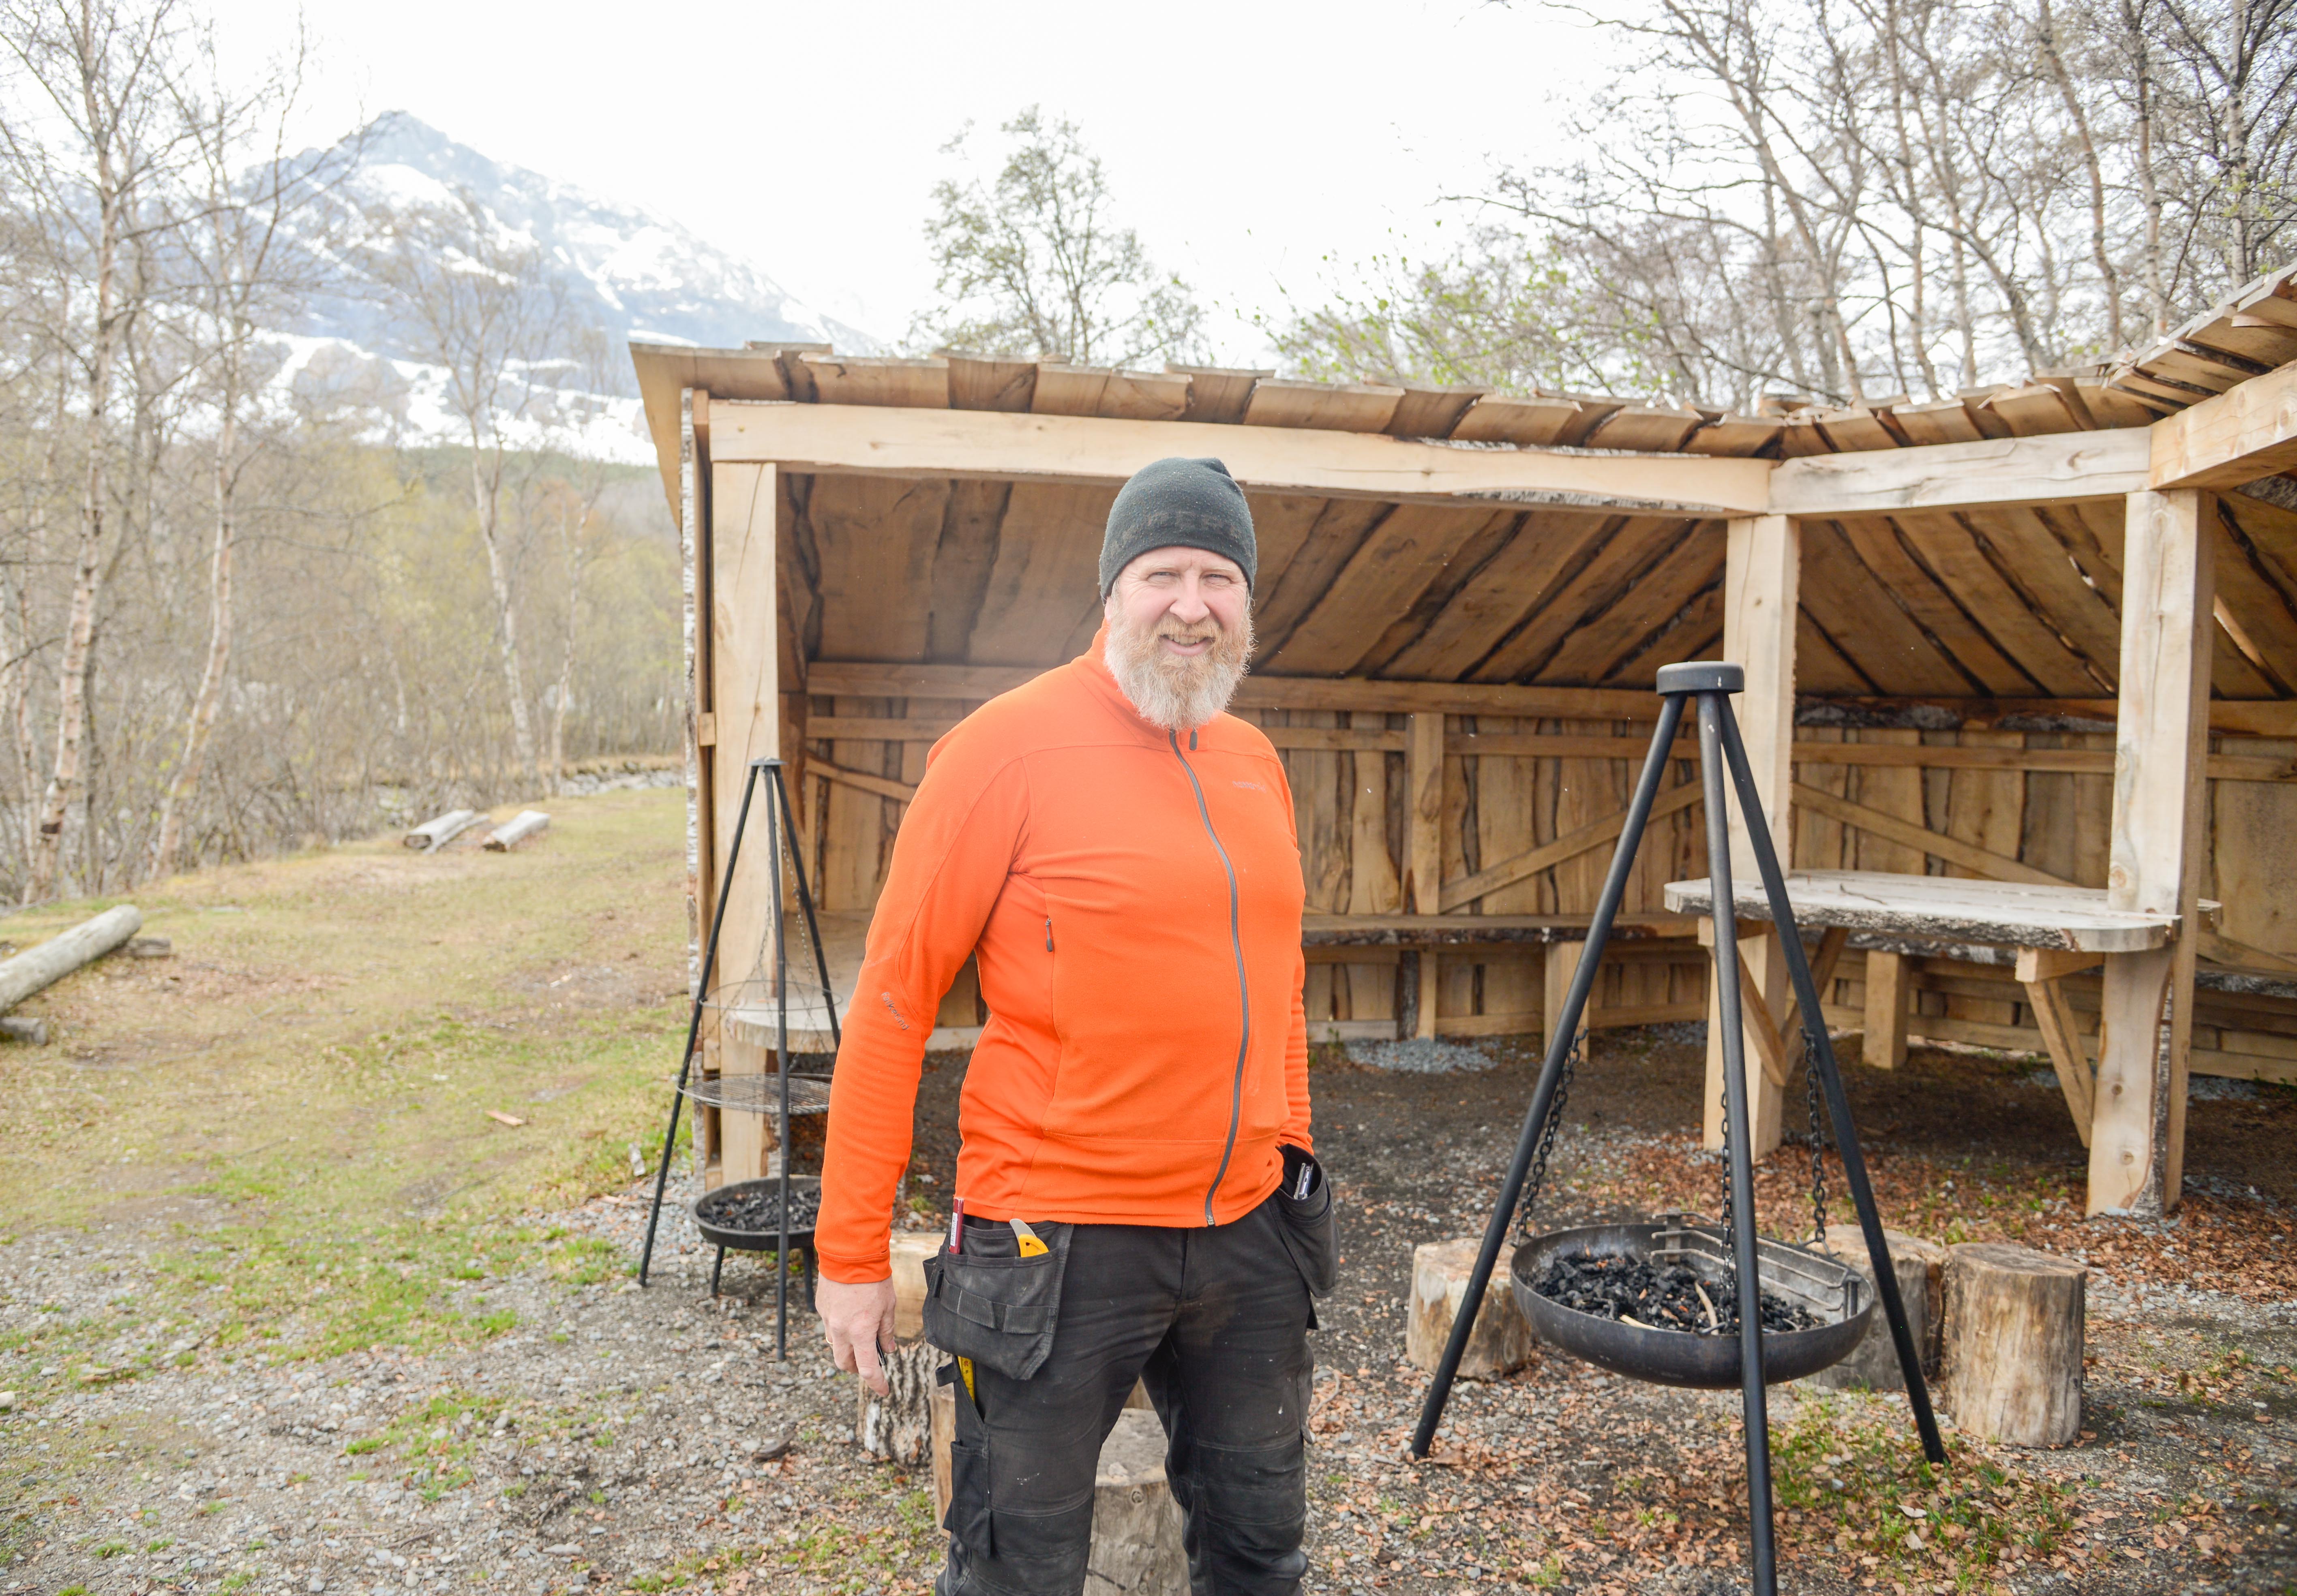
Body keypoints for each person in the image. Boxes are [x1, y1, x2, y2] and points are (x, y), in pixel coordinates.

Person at [813, 456, 1334, 1596]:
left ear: (1246, 601)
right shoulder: (1003, 749)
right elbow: (893, 1005)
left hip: (1247, 1237)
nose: (1191, 605)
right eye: (1162, 575)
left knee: (1260, 1558)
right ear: (1112, 592)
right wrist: (850, 1254)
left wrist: (1289, 1146)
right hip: (1053, 1240)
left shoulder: (1253, 762)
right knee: (1017, 1571)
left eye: (1218, 577)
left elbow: (1278, 981)